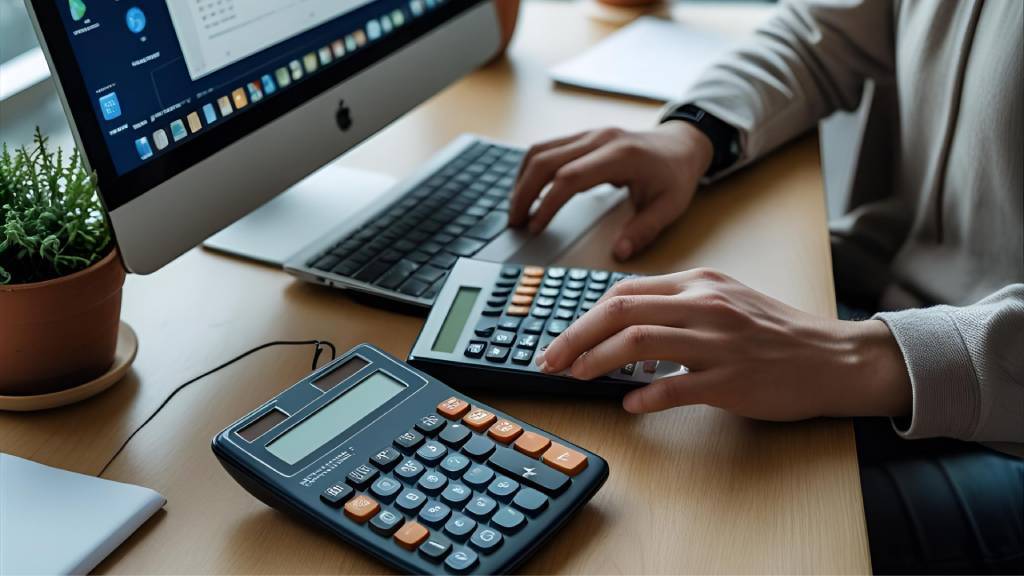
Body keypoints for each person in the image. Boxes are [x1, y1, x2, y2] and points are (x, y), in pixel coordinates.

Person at [507, 0, 1023, 572]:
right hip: (891, 304)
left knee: (724, 539)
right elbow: (821, 30)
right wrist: (694, 134)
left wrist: (858, 357)